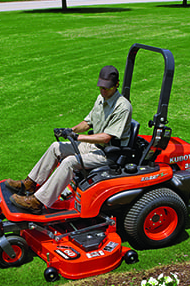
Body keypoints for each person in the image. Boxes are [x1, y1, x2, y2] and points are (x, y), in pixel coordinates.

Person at [7, 65, 132, 213]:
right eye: (101, 87)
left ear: (116, 85)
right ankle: (29, 184)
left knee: (69, 162)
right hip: (94, 146)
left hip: (109, 154)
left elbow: (106, 138)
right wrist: (69, 130)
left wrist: (78, 137)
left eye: (107, 88)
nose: (103, 91)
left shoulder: (123, 107)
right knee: (56, 147)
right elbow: (88, 123)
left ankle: (37, 202)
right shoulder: (100, 99)